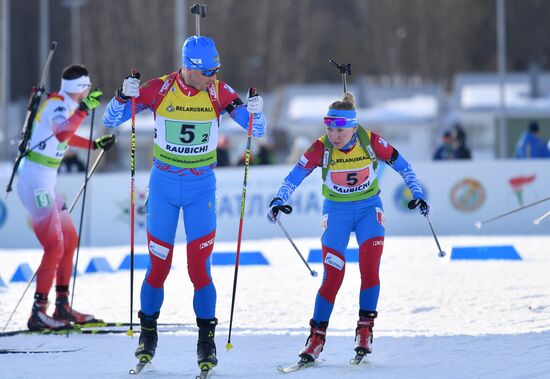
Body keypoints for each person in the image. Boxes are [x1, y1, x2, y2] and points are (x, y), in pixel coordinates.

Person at [103, 35, 266, 370]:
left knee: (199, 269)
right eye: (207, 71)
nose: (213, 76)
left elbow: (256, 130)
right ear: (189, 68)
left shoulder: (219, 92)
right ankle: (148, 332)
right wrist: (123, 95)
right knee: (158, 266)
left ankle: (206, 341)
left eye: (216, 70)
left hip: (200, 190)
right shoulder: (159, 89)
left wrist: (256, 112)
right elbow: (110, 119)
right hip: (163, 187)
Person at [266, 93, 428, 364]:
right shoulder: (321, 148)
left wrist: (418, 194)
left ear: (353, 126)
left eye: (339, 129)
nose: (333, 135)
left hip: (368, 211)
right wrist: (278, 199)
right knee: (333, 275)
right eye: (329, 128)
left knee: (369, 268)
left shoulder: (371, 141)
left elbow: (404, 166)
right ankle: (316, 337)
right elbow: (294, 175)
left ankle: (365, 330)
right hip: (337, 213)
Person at [17, 64, 116, 331]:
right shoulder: (59, 106)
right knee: (54, 246)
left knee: (69, 239)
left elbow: (64, 137)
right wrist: (84, 110)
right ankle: (38, 312)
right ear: (81, 88)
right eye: (87, 87)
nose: (88, 92)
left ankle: (62, 305)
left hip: (45, 183)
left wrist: (94, 145)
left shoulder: (66, 105)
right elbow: (62, 131)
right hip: (35, 184)